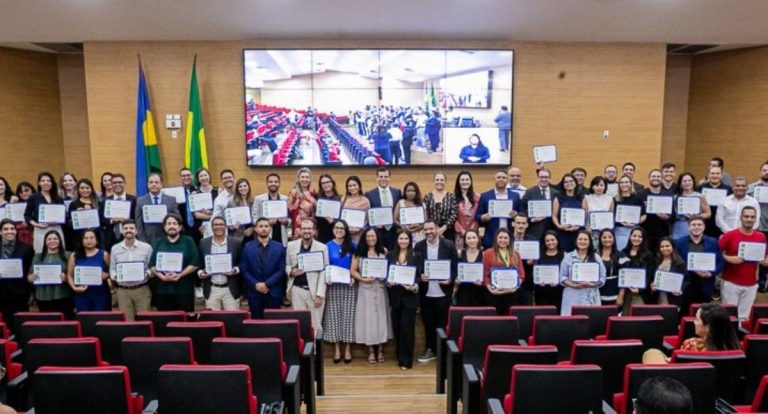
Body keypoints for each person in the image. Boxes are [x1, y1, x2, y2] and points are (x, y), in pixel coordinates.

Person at [643, 303, 741, 365]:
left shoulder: (692, 345)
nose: (694, 322)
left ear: (708, 327)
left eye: (697, 319)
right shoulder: (738, 349)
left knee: (651, 353)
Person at [415, 221, 457, 363]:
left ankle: (444, 352)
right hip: (426, 292)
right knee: (428, 323)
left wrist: (450, 279)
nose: (428, 231)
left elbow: (455, 267)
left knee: (443, 323)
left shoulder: (449, 245)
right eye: (426, 229)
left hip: (443, 292)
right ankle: (430, 349)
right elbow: (415, 267)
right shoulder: (419, 246)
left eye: (431, 228)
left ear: (437, 229)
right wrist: (420, 275)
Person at [719, 206, 768, 323]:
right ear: (741, 218)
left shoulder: (761, 236)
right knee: (728, 316)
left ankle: (740, 340)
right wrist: (727, 258)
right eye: (746, 216)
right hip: (731, 283)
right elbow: (715, 254)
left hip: (751, 284)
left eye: (752, 217)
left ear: (756, 219)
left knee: (744, 318)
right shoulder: (730, 235)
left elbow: (765, 256)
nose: (749, 219)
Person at [351, 227, 391, 364]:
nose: (370, 239)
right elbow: (353, 270)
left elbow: (389, 270)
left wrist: (384, 277)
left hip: (380, 289)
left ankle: (380, 350)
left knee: (381, 319)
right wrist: (362, 278)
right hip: (365, 289)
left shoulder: (384, 251)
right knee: (368, 320)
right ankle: (370, 351)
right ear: (364, 238)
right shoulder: (359, 252)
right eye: (368, 236)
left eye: (372, 236)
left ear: (377, 237)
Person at [148, 214, 200, 312]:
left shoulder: (188, 241)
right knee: (165, 321)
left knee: (185, 321)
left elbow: (195, 262)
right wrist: (162, 277)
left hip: (184, 289)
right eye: (169, 224)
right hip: (162, 290)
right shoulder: (158, 242)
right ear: (164, 227)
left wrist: (180, 275)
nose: (172, 226)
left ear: (180, 227)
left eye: (175, 223)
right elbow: (152, 264)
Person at [323, 219, 357, 364]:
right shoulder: (327, 246)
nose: (339, 230)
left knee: (348, 317)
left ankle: (348, 348)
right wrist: (327, 277)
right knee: (334, 316)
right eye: (337, 228)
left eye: (342, 228)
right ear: (333, 230)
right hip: (332, 286)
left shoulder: (353, 245)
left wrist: (354, 278)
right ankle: (336, 348)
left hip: (349, 286)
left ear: (346, 230)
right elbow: (324, 266)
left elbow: (357, 266)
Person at [285, 219, 328, 330]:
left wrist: (320, 294)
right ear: (299, 230)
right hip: (297, 290)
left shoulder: (322, 247)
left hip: (314, 292)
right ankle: (301, 347)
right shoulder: (291, 245)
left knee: (315, 326)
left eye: (309, 228)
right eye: (304, 228)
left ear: (314, 231)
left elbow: (324, 271)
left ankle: (314, 348)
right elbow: (286, 265)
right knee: (299, 325)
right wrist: (291, 272)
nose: (306, 231)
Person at [387, 230, 421, 370]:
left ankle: (406, 361)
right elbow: (386, 274)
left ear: (410, 240)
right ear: (397, 240)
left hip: (410, 297)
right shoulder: (390, 255)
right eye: (401, 238)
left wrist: (414, 286)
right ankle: (399, 355)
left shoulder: (416, 255)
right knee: (398, 328)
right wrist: (389, 282)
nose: (403, 241)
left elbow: (419, 275)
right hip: (395, 296)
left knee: (407, 329)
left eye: (406, 238)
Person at [240, 217, 286, 318]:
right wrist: (256, 284)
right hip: (254, 292)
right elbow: (244, 270)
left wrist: (267, 284)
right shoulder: (247, 247)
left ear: (270, 228)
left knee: (274, 325)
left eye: (266, 226)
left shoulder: (279, 247)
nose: (264, 228)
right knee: (256, 326)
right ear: (256, 229)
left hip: (273, 292)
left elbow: (281, 270)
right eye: (260, 226)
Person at [109, 219, 152, 320]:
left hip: (142, 289)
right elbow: (112, 270)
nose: (129, 230)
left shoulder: (147, 247)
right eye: (126, 228)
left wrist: (145, 274)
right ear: (122, 231)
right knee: (127, 323)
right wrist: (117, 276)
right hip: (123, 291)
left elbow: (151, 268)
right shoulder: (115, 248)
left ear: (136, 231)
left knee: (144, 321)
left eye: (131, 228)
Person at [197, 216, 243, 311]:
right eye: (216, 224)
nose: (218, 227)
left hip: (230, 288)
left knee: (233, 321)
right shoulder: (204, 242)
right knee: (212, 321)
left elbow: (242, 263)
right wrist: (201, 273)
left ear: (225, 226)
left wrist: (235, 270)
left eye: (221, 224)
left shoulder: (236, 242)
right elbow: (199, 264)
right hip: (211, 288)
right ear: (212, 227)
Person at [28, 230, 74, 319]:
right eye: (49, 239)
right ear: (45, 242)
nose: (52, 241)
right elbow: (29, 276)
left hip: (62, 295)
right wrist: (31, 278)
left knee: (65, 322)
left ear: (60, 240)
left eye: (55, 239)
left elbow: (73, 275)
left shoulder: (68, 255)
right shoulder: (38, 256)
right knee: (47, 324)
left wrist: (66, 278)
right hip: (43, 295)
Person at [560, 230, 606, 315]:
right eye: (580, 239)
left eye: (585, 239)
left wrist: (591, 284)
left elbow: (602, 278)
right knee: (571, 321)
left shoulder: (596, 257)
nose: (582, 241)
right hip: (572, 294)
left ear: (589, 242)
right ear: (576, 241)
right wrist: (573, 285)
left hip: (590, 294)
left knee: (590, 322)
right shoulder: (568, 257)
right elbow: (562, 277)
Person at [0, 219, 34, 326]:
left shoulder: (27, 248)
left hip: (20, 293)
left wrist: (31, 293)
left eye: (12, 229)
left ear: (16, 231)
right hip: (1, 293)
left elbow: (30, 271)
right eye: (5, 229)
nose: (9, 231)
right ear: (0, 232)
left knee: (21, 326)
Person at [67, 229, 110, 312]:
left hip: (100, 293)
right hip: (81, 293)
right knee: (84, 320)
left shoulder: (104, 254)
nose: (89, 240)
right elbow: (69, 275)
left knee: (99, 320)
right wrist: (74, 287)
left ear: (97, 240)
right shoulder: (74, 255)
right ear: (81, 240)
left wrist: (106, 275)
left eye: (92, 237)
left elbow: (111, 273)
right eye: (86, 238)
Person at [483, 228, 524, 315]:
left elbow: (521, 274)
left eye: (506, 238)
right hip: (495, 294)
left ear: (510, 240)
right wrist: (491, 290)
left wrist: (515, 288)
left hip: (512, 294)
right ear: (496, 239)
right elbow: (485, 274)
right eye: (500, 237)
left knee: (509, 320)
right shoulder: (488, 253)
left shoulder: (515, 254)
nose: (503, 240)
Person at [477, 170, 522, 248]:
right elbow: (477, 215)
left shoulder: (515, 196)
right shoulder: (485, 196)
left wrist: (516, 215)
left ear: (507, 180)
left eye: (504, 178)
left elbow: (521, 213)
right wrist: (482, 217)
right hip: (491, 236)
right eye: (499, 177)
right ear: (495, 179)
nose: (501, 179)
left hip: (510, 235)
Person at [24, 172, 65, 253]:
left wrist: (58, 220)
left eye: (48, 181)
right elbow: (27, 215)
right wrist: (36, 224)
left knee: (58, 252)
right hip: (40, 229)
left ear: (52, 183)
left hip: (56, 228)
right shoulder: (33, 198)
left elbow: (64, 215)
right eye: (43, 181)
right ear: (39, 183)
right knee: (40, 253)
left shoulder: (58, 198)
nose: (46, 183)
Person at [135, 173, 180, 247]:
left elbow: (178, 220)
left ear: (162, 184)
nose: (153, 184)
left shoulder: (171, 200)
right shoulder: (140, 201)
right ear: (147, 184)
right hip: (148, 240)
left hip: (168, 239)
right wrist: (143, 241)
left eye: (156, 182)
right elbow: (138, 223)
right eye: (151, 182)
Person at [619, 227, 656, 312]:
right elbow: (621, 273)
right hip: (625, 292)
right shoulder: (623, 252)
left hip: (641, 293)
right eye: (634, 236)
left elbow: (649, 275)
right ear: (630, 237)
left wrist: (640, 289)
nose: (636, 238)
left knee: (638, 317)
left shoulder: (648, 255)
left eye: (640, 237)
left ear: (643, 239)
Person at [365, 167, 401, 250]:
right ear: (377, 178)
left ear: (389, 177)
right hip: (377, 232)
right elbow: (368, 214)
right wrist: (373, 224)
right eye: (381, 177)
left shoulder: (397, 192)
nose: (383, 179)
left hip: (393, 231)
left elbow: (399, 211)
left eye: (386, 176)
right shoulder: (369, 194)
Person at [99, 173, 136, 249]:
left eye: (120, 182)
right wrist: (112, 220)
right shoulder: (105, 201)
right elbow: (101, 220)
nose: (117, 184)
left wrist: (127, 220)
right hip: (110, 238)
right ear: (111, 185)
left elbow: (136, 218)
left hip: (130, 236)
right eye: (114, 183)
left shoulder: (134, 200)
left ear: (125, 183)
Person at [551, 173, 586, 252]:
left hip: (578, 232)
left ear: (575, 183)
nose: (569, 183)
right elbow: (554, 216)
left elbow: (585, 216)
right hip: (563, 233)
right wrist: (559, 226)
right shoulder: (558, 198)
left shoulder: (582, 197)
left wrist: (578, 226)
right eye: (566, 182)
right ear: (563, 185)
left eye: (571, 181)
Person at [254, 173, 291, 246]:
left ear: (279, 184)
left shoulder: (286, 199)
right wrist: (266, 223)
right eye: (270, 182)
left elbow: (291, 218)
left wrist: (286, 221)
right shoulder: (258, 199)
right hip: (264, 237)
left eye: (276, 182)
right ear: (267, 184)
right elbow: (254, 218)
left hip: (282, 237)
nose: (273, 184)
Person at [521, 168, 559, 241]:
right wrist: (532, 219)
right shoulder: (530, 192)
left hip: (551, 230)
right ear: (537, 178)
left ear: (550, 179)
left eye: (546, 177)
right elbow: (522, 209)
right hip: (534, 230)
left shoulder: (556, 193)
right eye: (541, 177)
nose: (544, 179)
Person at [747, 161, 768, 292]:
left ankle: (762, 282)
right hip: (757, 227)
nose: (767, 172)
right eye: (764, 170)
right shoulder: (752, 188)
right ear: (760, 172)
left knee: (766, 258)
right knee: (754, 254)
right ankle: (751, 280)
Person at [671, 173, 711, 240]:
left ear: (693, 182)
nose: (687, 183)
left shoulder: (700, 196)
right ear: (680, 183)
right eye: (684, 181)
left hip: (695, 226)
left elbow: (708, 213)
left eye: (689, 180)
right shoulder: (675, 197)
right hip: (679, 226)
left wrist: (697, 216)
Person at [653, 237, 687, 313]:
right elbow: (653, 279)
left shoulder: (680, 263)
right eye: (662, 246)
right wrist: (652, 286)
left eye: (667, 246)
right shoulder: (656, 261)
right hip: (658, 297)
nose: (665, 248)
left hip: (673, 298)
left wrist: (680, 289)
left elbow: (686, 280)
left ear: (673, 247)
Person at [641, 169, 674, 252]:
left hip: (663, 232)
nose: (655, 178)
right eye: (653, 176)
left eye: (658, 176)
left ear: (662, 179)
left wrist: (666, 217)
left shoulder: (667, 195)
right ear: (649, 178)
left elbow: (673, 215)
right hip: (646, 232)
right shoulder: (642, 194)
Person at [697, 165, 731, 239]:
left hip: (722, 225)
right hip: (705, 223)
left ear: (721, 175)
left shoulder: (728, 189)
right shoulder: (700, 188)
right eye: (712, 173)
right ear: (708, 175)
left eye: (717, 173)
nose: (715, 176)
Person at [614, 174, 647, 250]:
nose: (624, 184)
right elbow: (612, 216)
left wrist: (635, 223)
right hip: (619, 231)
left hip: (634, 231)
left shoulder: (637, 198)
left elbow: (644, 215)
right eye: (622, 182)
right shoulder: (615, 199)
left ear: (630, 184)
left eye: (626, 182)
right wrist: (622, 223)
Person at [66, 178, 99, 251]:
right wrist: (77, 216)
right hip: (78, 238)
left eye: (87, 188)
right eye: (82, 188)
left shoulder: (97, 203)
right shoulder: (73, 204)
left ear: (91, 189)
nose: (85, 190)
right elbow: (69, 223)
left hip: (95, 236)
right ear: (78, 189)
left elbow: (101, 220)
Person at [455, 229, 486, 306]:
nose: (472, 240)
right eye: (469, 238)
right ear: (465, 241)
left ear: (478, 239)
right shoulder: (459, 254)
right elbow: (455, 271)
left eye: (474, 237)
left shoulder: (484, 254)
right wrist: (456, 280)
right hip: (463, 291)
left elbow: (486, 273)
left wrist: (482, 282)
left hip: (479, 292)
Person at [423, 172, 457, 241]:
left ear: (445, 181)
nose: (439, 182)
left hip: (448, 230)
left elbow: (454, 214)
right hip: (431, 230)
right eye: (437, 180)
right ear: (434, 181)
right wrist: (435, 228)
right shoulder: (427, 197)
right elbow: (425, 214)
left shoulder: (451, 196)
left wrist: (443, 228)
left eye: (442, 180)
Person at [511, 214, 537, 305]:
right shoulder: (507, 240)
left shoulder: (533, 240)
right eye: (518, 223)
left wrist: (534, 262)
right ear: (513, 224)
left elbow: (537, 259)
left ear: (527, 225)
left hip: (527, 281)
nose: (521, 225)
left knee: (526, 310)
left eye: (523, 223)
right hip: (510, 280)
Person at [597, 229, 624, 308]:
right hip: (597, 294)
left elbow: (623, 277)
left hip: (614, 294)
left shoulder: (621, 255)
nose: (607, 239)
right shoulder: (595, 255)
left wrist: (621, 296)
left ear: (614, 239)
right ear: (600, 239)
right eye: (604, 237)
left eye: (610, 237)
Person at [453, 171, 480, 251]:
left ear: (471, 181)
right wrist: (461, 230)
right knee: (460, 255)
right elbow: (452, 217)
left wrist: (471, 230)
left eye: (467, 179)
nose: (465, 182)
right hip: (458, 234)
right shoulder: (452, 197)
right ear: (458, 182)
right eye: (462, 180)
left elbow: (478, 215)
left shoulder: (478, 197)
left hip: (473, 233)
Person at [287, 167, 317, 238]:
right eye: (302, 177)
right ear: (298, 179)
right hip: (298, 226)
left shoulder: (313, 193)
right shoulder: (293, 193)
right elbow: (289, 210)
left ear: (310, 179)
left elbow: (316, 210)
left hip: (311, 225)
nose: (305, 179)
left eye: (307, 177)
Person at [341, 176, 371, 244]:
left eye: (354, 185)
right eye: (350, 186)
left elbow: (367, 219)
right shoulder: (343, 199)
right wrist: (346, 228)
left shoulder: (365, 201)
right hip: (345, 233)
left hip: (359, 234)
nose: (352, 188)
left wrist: (359, 229)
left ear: (359, 186)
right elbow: (341, 216)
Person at [191, 168, 218, 240]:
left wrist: (210, 213)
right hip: (201, 227)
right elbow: (197, 215)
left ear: (209, 176)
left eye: (205, 175)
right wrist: (213, 216)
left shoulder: (218, 191)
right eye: (201, 176)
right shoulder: (194, 194)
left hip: (217, 226)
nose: (204, 178)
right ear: (198, 179)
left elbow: (221, 211)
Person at [316, 174, 341, 243]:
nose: (326, 184)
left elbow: (342, 218)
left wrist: (333, 222)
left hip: (335, 233)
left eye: (328, 182)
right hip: (321, 233)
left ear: (332, 183)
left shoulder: (340, 199)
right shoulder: (317, 198)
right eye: (323, 183)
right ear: (320, 186)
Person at [176, 168, 199, 241]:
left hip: (199, 228)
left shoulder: (199, 191)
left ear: (192, 176)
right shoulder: (176, 193)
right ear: (180, 178)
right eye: (183, 176)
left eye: (188, 175)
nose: (186, 177)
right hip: (182, 229)